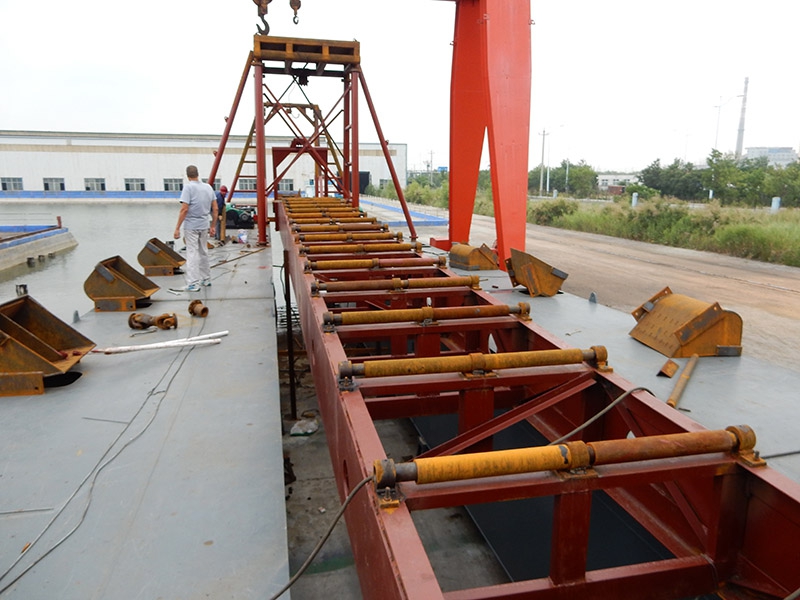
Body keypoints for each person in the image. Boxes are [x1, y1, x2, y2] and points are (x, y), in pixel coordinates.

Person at [174, 165, 218, 291]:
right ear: (198, 174)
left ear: (187, 175)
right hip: (204, 225)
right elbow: (215, 208)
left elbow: (184, 209)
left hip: (191, 226)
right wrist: (213, 225)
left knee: (192, 253)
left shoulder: (188, 188)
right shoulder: (208, 187)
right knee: (203, 251)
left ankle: (193, 283)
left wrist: (177, 228)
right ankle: (206, 279)